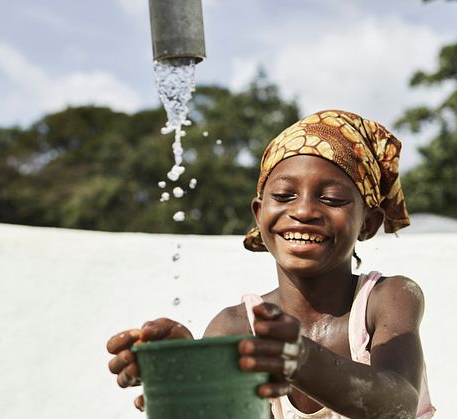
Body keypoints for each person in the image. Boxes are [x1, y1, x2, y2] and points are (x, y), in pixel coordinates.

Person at [107, 110, 436, 419]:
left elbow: (399, 404)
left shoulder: (386, 298)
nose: (304, 211)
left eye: (332, 199)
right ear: (259, 214)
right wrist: (191, 380)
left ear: (368, 223)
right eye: (283, 196)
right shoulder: (235, 327)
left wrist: (301, 359)